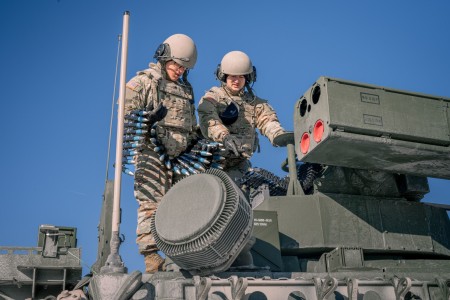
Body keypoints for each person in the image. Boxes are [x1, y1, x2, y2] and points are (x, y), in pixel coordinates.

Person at [124, 33, 198, 273]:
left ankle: (183, 253)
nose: (179, 70)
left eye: (184, 67)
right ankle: (152, 257)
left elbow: (191, 122)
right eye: (176, 64)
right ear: (165, 57)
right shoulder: (145, 81)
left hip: (181, 157)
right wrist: (148, 118)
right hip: (152, 153)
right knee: (151, 203)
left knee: (185, 205)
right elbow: (125, 114)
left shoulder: (186, 89)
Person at [197, 50, 286, 185]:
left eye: (241, 77)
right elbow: (208, 118)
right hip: (212, 161)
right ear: (223, 75)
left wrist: (279, 135)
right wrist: (224, 136)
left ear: (248, 78)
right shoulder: (213, 96)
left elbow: (268, 121)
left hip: (239, 163)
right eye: (232, 76)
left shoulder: (256, 103)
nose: (236, 81)